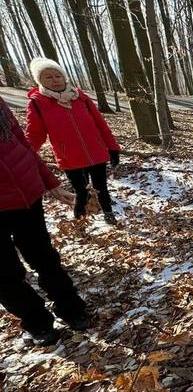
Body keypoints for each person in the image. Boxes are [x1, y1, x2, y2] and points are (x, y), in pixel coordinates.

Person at [1, 96, 90, 346]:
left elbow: (22, 143)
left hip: (26, 193)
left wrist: (50, 183)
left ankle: (71, 308)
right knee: (5, 273)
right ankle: (37, 322)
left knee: (44, 257)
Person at [25, 57, 121, 225]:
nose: (54, 80)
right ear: (40, 80)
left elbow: (100, 124)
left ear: (64, 77)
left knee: (101, 188)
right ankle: (80, 221)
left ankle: (108, 213)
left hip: (96, 153)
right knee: (81, 192)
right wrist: (24, 155)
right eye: (48, 77)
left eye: (57, 75)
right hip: (70, 158)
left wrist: (112, 147)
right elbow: (35, 135)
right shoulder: (37, 104)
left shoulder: (80, 97)